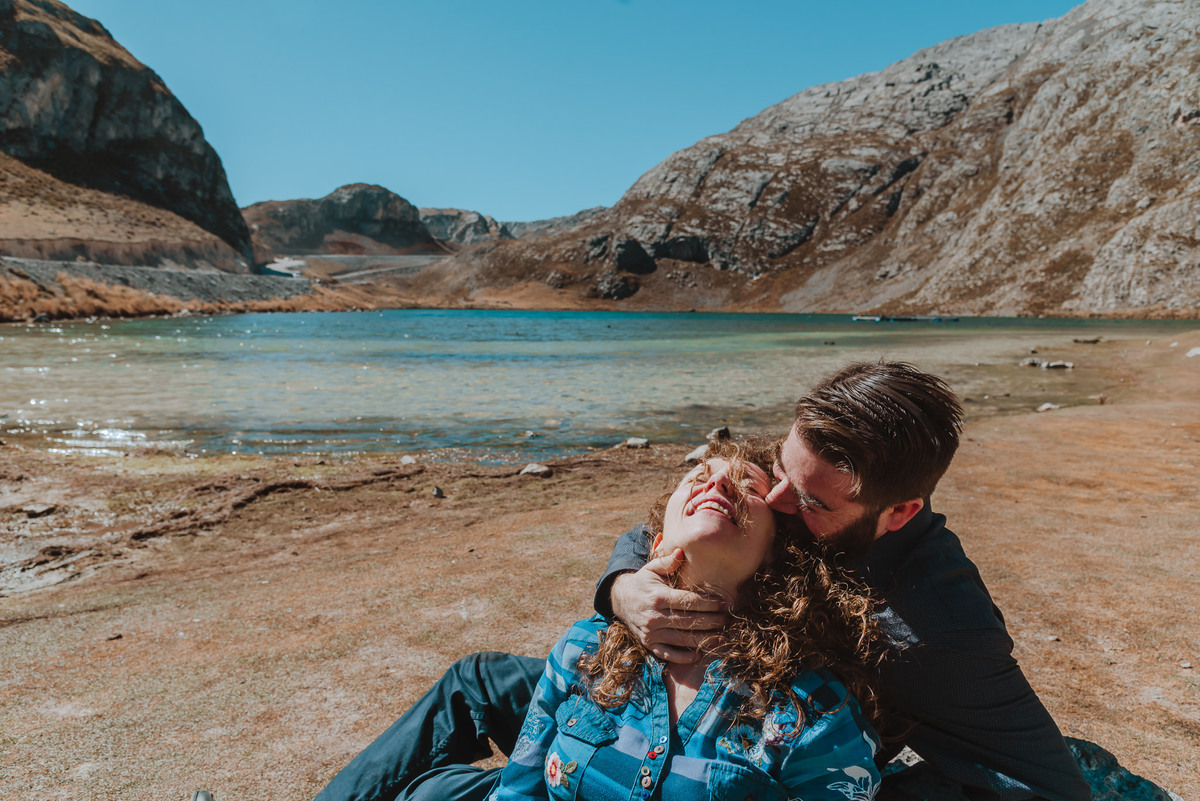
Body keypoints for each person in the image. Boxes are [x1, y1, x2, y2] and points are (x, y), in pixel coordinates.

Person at [315, 361, 1091, 801]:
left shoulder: (942, 624)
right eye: (778, 473)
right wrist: (624, 586)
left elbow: (1047, 787)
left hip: (779, 735)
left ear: (899, 512)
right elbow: (686, 518)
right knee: (476, 686)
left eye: (809, 501)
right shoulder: (784, 492)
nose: (777, 502)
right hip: (674, 689)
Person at [322, 439, 885, 801]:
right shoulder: (584, 651)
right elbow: (520, 791)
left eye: (749, 487)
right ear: (657, 542)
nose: (716, 483)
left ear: (776, 556)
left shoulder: (812, 713)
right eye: (700, 476)